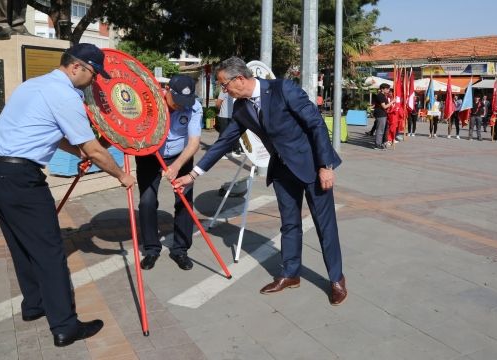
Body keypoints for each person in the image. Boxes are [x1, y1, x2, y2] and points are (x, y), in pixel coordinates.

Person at [0, 43, 136, 347]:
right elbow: (93, 149)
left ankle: (34, 305)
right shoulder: (64, 95)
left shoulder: (34, 84)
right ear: (77, 67)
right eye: (93, 74)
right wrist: (121, 175)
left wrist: (78, 150)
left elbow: (53, 133)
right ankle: (65, 326)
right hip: (19, 177)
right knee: (50, 251)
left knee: (20, 241)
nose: (93, 81)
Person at [174, 57, 347, 306]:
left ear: (240, 79)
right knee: (289, 224)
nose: (224, 91)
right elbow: (222, 143)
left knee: (324, 225)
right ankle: (290, 274)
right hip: (282, 171)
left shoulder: (283, 89)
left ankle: (336, 279)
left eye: (224, 85)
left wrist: (325, 166)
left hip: (312, 166)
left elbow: (316, 124)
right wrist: (193, 175)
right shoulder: (241, 108)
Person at [138, 75, 202, 271]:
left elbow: (193, 143)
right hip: (150, 155)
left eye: (186, 103)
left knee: (184, 200)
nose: (182, 106)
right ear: (166, 91)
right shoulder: (150, 103)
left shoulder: (194, 107)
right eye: (178, 102)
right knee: (147, 202)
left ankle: (180, 249)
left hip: (180, 156)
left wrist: (176, 166)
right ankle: (151, 249)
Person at [214, 87, 241, 157]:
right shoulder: (228, 90)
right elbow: (218, 103)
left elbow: (218, 104)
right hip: (228, 116)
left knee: (227, 134)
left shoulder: (227, 90)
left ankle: (227, 151)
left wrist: (218, 111)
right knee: (227, 134)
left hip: (229, 115)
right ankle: (225, 152)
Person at [371, 84, 394, 149]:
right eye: (387, 89)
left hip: (383, 114)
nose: (388, 90)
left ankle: (382, 142)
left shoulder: (383, 95)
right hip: (380, 114)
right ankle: (377, 145)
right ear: (382, 89)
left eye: (388, 89)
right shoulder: (380, 95)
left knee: (384, 129)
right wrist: (392, 102)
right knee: (380, 130)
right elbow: (384, 106)